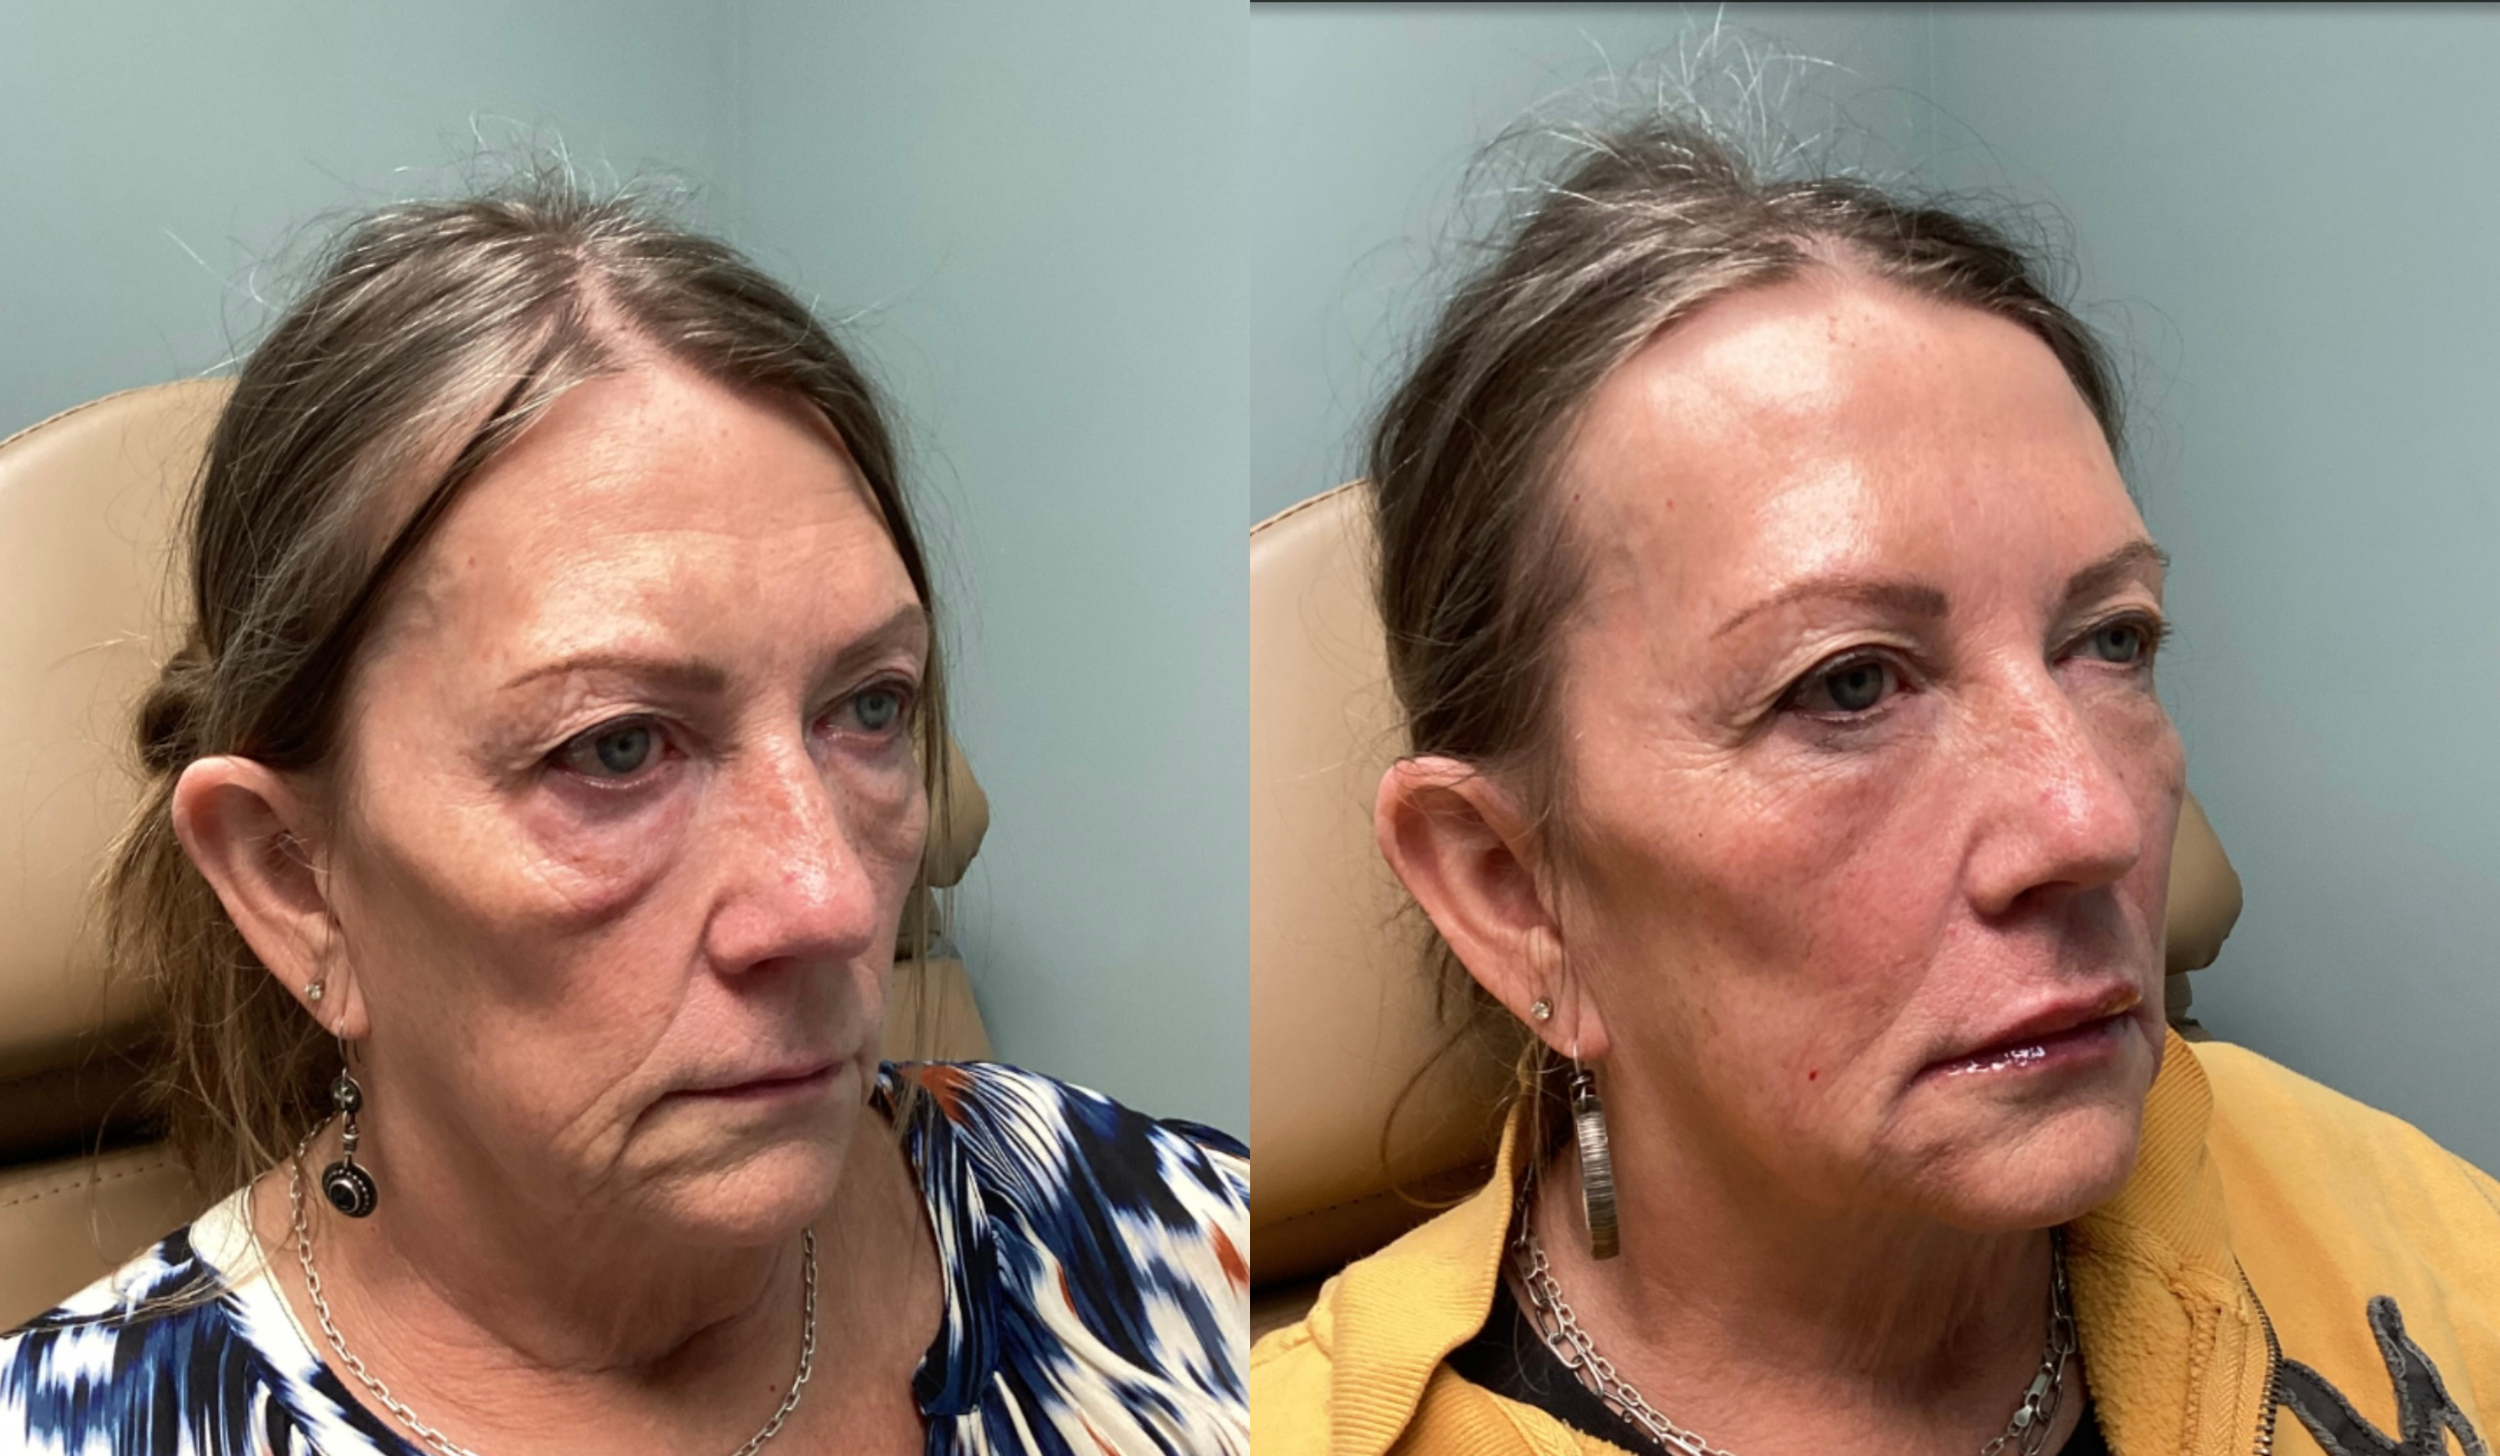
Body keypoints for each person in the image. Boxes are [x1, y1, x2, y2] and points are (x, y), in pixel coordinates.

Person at [1249, 116, 2500, 1456]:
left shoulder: (2396, 1217)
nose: (2093, 821)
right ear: (1515, 891)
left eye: (2110, 639)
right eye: (1847, 684)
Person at [0, 180, 1248, 1456]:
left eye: (869, 707)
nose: (831, 901)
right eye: (614, 747)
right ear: (295, 879)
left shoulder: (1156, 1238)